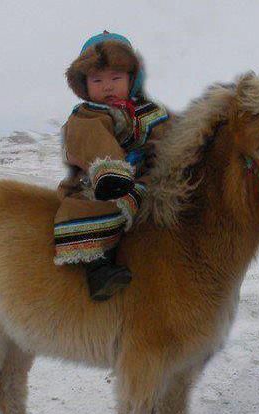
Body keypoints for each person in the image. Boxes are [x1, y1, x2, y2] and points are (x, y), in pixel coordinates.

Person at [54, 31, 171, 301]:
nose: (107, 87)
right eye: (97, 80)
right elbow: (81, 143)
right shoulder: (86, 115)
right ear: (84, 85)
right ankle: (98, 270)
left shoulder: (149, 113)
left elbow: (170, 136)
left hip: (141, 184)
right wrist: (111, 174)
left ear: (132, 79)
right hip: (95, 188)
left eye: (115, 78)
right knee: (94, 210)